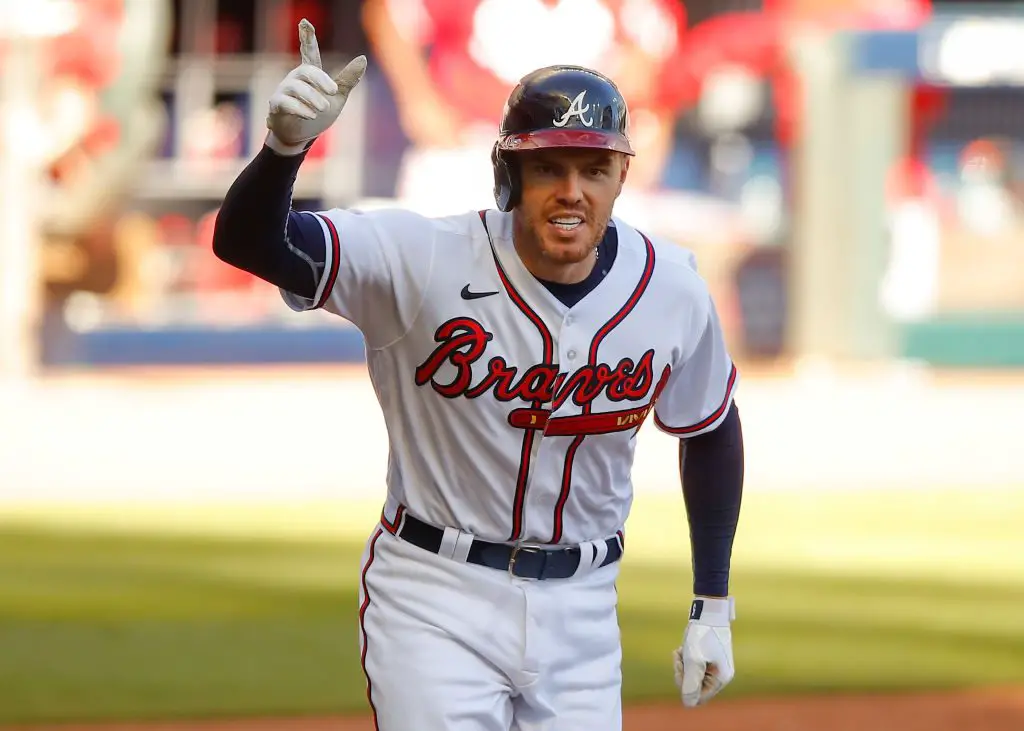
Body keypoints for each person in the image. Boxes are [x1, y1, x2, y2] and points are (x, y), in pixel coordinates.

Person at [213, 20, 745, 731]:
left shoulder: (670, 287)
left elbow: (710, 426)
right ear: (508, 174)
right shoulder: (420, 258)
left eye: (594, 168)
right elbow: (248, 241)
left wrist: (712, 600)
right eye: (548, 166)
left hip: (585, 608)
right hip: (437, 596)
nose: (572, 190)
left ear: (623, 174)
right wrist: (284, 150)